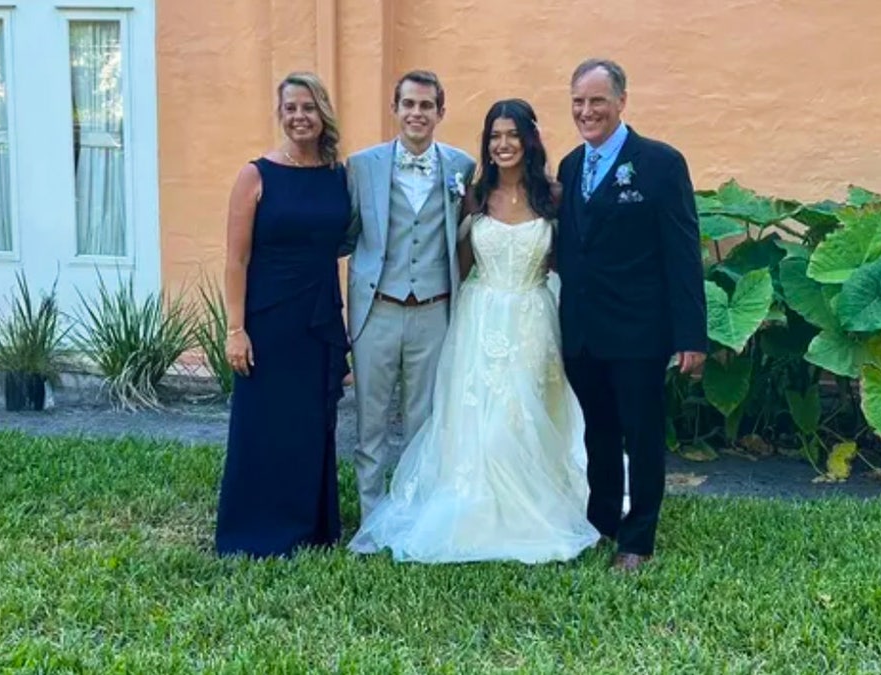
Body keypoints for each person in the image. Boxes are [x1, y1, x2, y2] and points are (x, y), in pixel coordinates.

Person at [347, 98, 600, 564]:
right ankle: (476, 507)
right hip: (479, 317)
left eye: (512, 135)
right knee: (477, 419)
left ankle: (529, 508)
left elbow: (566, 260)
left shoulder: (555, 196)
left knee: (520, 415)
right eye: (494, 136)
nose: (503, 145)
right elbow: (459, 263)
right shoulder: (474, 194)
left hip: (531, 317)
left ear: (530, 139)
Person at [555, 58, 708, 572]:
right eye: (578, 101)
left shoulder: (661, 164)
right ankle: (602, 523)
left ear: (621, 101)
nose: (586, 111)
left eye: (596, 100)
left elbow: (683, 253)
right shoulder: (571, 167)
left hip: (639, 331)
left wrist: (691, 335)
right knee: (597, 433)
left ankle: (637, 539)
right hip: (582, 330)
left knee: (641, 436)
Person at [214, 72, 351, 558]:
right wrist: (236, 329)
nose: (300, 117)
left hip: (318, 319)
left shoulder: (339, 175)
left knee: (313, 422)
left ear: (323, 114)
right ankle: (253, 530)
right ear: (281, 114)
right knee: (263, 423)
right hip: (267, 319)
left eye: (309, 107)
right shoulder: (256, 174)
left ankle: (310, 527)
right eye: (291, 108)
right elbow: (236, 259)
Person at [339, 70, 477, 538]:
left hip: (434, 310)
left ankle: (414, 517)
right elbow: (346, 233)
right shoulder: (361, 166)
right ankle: (371, 519)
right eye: (409, 105)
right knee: (370, 420)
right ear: (394, 109)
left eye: (426, 106)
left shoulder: (462, 166)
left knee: (423, 423)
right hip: (377, 307)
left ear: (441, 112)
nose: (417, 114)